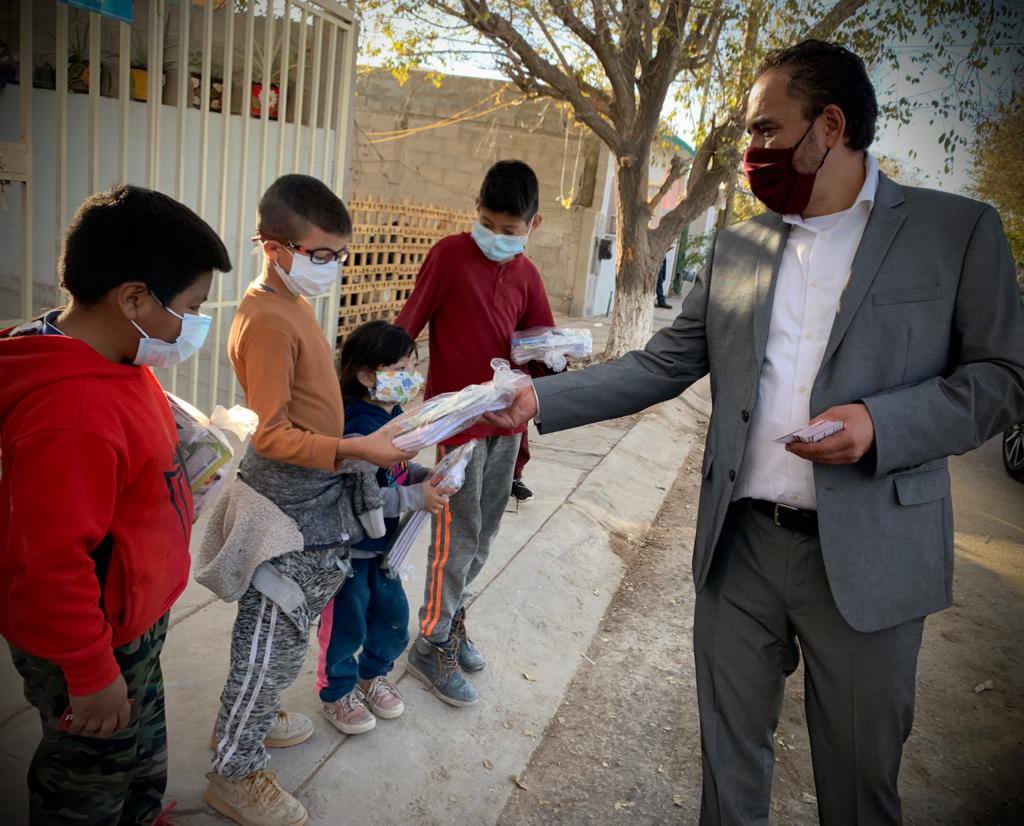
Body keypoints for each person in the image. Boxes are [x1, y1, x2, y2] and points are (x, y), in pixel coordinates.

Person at [488, 40, 1024, 826]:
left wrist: (883, 423)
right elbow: (663, 363)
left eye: (766, 130)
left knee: (857, 788)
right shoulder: (741, 245)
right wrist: (540, 401)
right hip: (741, 551)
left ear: (829, 126)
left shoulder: (956, 233)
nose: (750, 153)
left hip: (874, 557)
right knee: (728, 775)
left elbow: (1003, 379)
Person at [0, 185, 231, 825]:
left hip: (133, 619)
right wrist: (88, 669)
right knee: (87, 775)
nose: (196, 326)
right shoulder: (68, 414)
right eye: (191, 308)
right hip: (92, 637)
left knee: (138, 743)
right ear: (132, 298)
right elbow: (48, 563)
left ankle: (141, 811)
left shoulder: (114, 356)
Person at [205, 175, 414, 826]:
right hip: (288, 514)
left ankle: (257, 717)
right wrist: (360, 450)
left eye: (339, 255)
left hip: (314, 505)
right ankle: (232, 772)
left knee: (287, 639)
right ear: (273, 245)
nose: (331, 267)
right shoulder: (267, 316)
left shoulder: (290, 304)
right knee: (268, 643)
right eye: (321, 255)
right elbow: (270, 433)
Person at [396, 159, 556, 706]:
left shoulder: (528, 276)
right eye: (486, 223)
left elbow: (538, 346)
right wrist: (381, 386)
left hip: (507, 430)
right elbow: (408, 323)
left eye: (509, 231)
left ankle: (451, 619)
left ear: (534, 226)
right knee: (454, 538)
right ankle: (430, 642)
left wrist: (555, 361)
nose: (494, 238)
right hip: (457, 429)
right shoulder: (448, 255)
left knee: (483, 535)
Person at [316, 320, 453, 735]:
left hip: (383, 550)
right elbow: (362, 496)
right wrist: (416, 498)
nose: (412, 376)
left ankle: (371, 675)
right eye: (401, 368)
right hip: (349, 553)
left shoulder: (390, 413)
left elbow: (391, 472)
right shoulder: (356, 425)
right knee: (345, 623)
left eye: (414, 365)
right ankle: (337, 691)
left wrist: (421, 476)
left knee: (391, 616)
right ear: (365, 375)